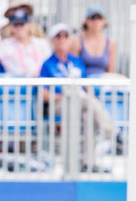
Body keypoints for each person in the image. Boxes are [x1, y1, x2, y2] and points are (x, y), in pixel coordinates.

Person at [40, 22, 114, 172]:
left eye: (66, 36)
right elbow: (44, 94)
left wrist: (80, 96)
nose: (62, 39)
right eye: (58, 36)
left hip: (81, 103)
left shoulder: (77, 62)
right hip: (59, 104)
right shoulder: (47, 64)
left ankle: (88, 163)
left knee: (88, 115)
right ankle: (111, 133)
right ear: (53, 40)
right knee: (84, 101)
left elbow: (86, 87)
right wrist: (63, 97)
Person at [0, 5, 48, 77]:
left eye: (22, 24)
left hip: (40, 84)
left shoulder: (41, 43)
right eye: (16, 25)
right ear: (11, 26)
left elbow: (49, 64)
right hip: (17, 85)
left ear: (28, 25)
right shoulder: (3, 45)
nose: (19, 28)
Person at [70, 5, 118, 77]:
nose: (96, 21)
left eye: (99, 18)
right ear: (86, 21)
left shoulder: (111, 43)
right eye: (93, 18)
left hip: (102, 84)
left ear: (104, 21)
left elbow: (110, 71)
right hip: (82, 83)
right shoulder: (77, 41)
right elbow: (73, 68)